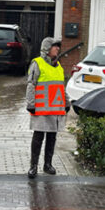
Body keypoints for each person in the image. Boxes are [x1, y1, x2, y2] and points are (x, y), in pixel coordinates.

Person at [26, 37, 69, 179]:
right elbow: (31, 85)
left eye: (58, 46)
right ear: (46, 49)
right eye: (54, 46)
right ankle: (33, 166)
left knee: (52, 137)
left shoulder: (59, 67)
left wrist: (67, 102)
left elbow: (61, 87)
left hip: (55, 110)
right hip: (40, 109)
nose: (57, 49)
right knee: (38, 137)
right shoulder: (37, 64)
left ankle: (47, 164)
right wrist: (31, 104)